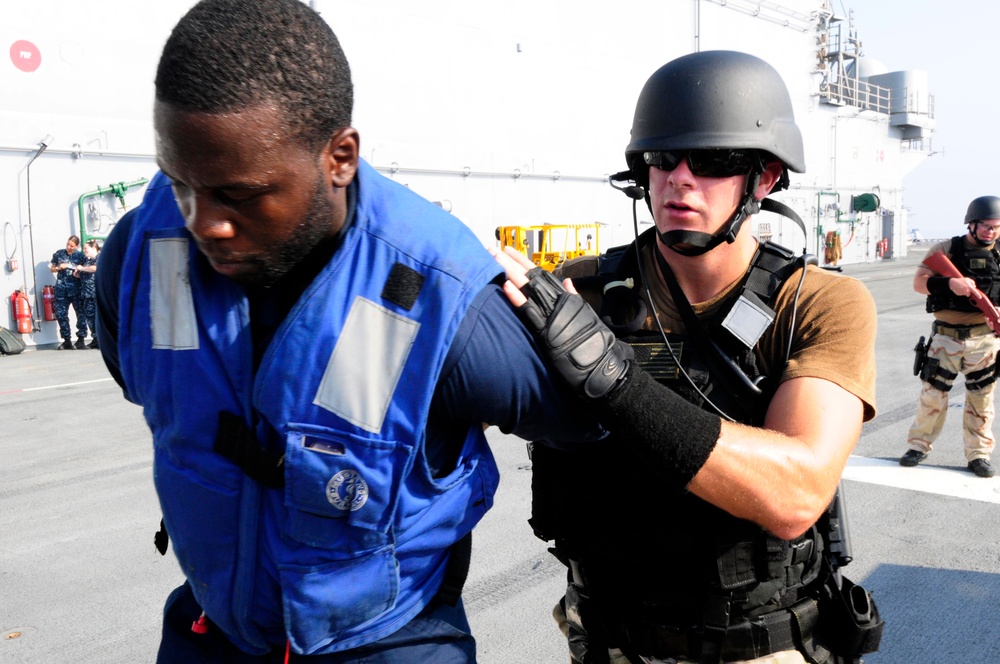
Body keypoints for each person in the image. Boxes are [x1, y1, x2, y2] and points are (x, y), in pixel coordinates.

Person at [94, 0, 603, 661]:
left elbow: (592, 431)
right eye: (181, 185)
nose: (203, 222)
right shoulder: (140, 254)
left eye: (240, 195)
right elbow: (147, 383)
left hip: (388, 639)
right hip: (214, 631)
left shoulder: (442, 297)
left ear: (339, 157)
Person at [491, 50, 881, 663]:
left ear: (766, 177)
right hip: (608, 635)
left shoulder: (817, 303)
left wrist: (612, 378)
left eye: (713, 161)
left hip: (754, 645)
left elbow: (795, 494)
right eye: (661, 159)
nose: (678, 179)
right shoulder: (578, 293)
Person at [901, 195, 1000, 478]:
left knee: (982, 398)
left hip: (984, 340)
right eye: (985, 226)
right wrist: (949, 283)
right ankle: (918, 446)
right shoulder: (947, 249)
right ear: (971, 224)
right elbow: (919, 283)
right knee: (933, 394)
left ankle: (979, 454)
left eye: (995, 227)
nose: (990, 232)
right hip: (945, 338)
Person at [49, 234, 85, 350]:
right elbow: (52, 268)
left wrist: (76, 271)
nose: (69, 247)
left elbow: (85, 270)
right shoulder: (59, 254)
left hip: (76, 289)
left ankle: (81, 339)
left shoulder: (80, 256)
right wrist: (59, 268)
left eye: (72, 246)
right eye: (68, 244)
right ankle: (66, 340)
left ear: (76, 246)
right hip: (61, 289)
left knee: (80, 314)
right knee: (61, 314)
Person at [74, 239, 101, 348]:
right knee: (90, 316)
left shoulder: (100, 257)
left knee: (98, 316)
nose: (84, 250)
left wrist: (81, 268)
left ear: (94, 248)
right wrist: (79, 274)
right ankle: (95, 338)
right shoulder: (87, 260)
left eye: (86, 248)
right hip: (87, 293)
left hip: (96, 293)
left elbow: (94, 269)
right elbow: (87, 273)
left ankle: (101, 338)